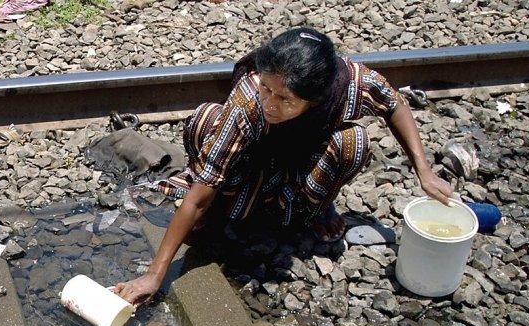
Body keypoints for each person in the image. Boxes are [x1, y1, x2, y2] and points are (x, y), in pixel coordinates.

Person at [114, 27, 453, 305]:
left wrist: (423, 169)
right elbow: (198, 196)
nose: (269, 104)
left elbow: (394, 104)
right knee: (206, 119)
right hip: (248, 171)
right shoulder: (249, 100)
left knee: (355, 141)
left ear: (315, 100)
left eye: (284, 99)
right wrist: (155, 275)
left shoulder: (349, 83)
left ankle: (305, 213)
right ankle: (232, 209)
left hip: (297, 175)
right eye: (266, 88)